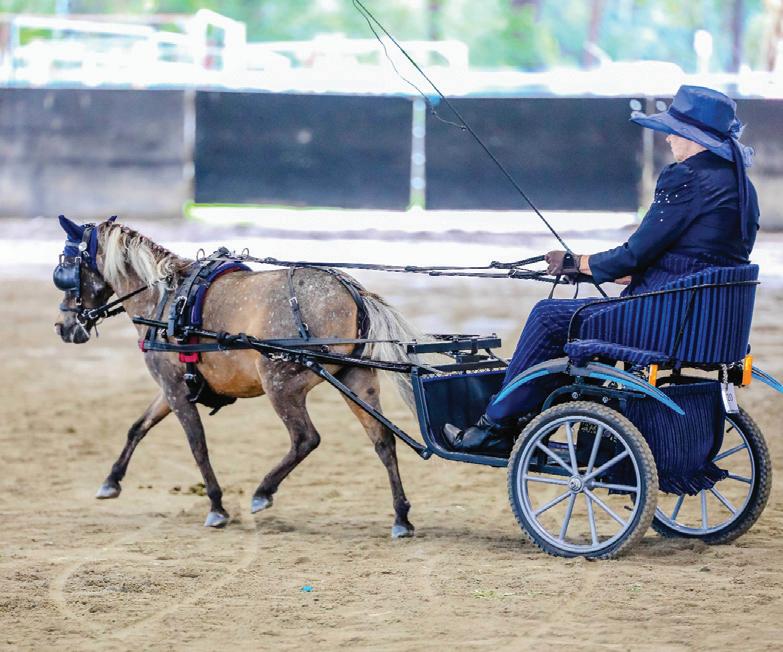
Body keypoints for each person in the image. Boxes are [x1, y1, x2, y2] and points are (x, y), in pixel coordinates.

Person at [443, 85, 760, 455]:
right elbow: (687, 259)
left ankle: (494, 425)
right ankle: (535, 412)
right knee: (586, 317)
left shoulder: (686, 177)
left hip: (666, 319)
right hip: (706, 321)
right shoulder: (742, 188)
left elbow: (634, 255)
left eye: (674, 130)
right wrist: (591, 268)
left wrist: (575, 262)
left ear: (693, 136)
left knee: (547, 316)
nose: (669, 137)